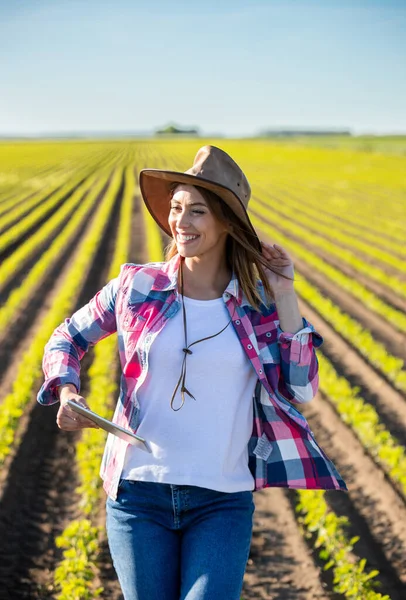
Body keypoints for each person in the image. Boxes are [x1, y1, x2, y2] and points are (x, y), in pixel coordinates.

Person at [37, 145, 347, 600]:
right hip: (138, 496)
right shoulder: (137, 287)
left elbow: (300, 388)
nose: (181, 222)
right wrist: (66, 390)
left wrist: (284, 294)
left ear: (227, 223)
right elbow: (66, 337)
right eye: (177, 208)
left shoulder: (258, 305)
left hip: (221, 501)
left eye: (197, 211)